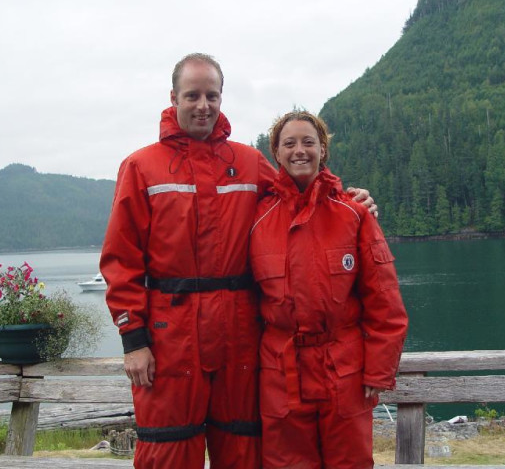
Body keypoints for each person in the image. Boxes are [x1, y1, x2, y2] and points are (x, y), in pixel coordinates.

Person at [100, 53, 376, 469]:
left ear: (221, 97)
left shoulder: (246, 163)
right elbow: (121, 261)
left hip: (240, 337)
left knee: (244, 449)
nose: (202, 105)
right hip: (170, 338)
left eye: (212, 95)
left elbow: (297, 186)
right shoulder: (141, 167)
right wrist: (133, 341)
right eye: (192, 95)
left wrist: (348, 199)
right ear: (173, 97)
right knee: (168, 449)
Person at [249, 110, 408, 469]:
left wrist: (378, 372)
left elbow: (385, 302)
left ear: (323, 149)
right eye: (289, 143)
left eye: (309, 142)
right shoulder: (256, 218)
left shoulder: (354, 213)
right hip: (280, 374)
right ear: (276, 152)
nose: (299, 150)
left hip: (345, 374)